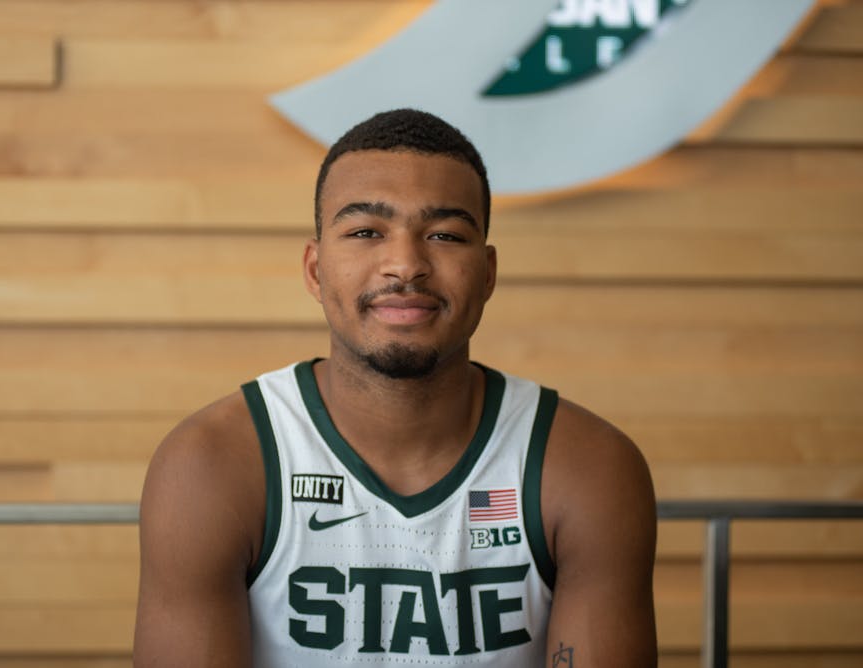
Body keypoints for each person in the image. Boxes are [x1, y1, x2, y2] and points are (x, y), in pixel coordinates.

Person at [133, 109, 657, 667]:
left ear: (486, 274)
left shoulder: (586, 467)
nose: (405, 264)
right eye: (365, 232)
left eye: (444, 234)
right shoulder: (213, 464)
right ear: (315, 270)